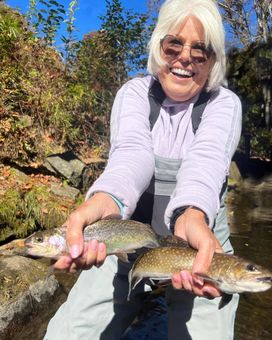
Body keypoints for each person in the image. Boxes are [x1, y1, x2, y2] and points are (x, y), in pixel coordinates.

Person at [44, 0, 242, 339]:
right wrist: (105, 200)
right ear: (158, 45)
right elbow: (132, 157)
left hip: (200, 249)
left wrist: (191, 216)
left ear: (213, 60)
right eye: (174, 44)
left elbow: (205, 163)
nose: (184, 57)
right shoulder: (134, 94)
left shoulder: (225, 104)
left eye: (200, 51)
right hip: (123, 242)